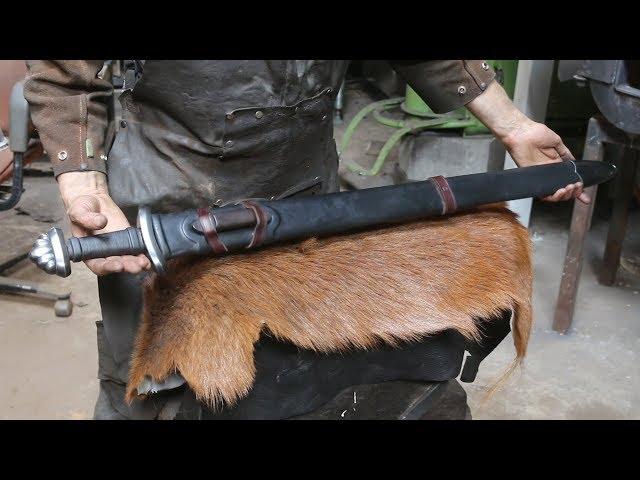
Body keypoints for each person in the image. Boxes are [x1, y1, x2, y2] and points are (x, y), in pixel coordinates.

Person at [23, 60, 586, 419]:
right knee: (151, 386)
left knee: (292, 379)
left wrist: (511, 124)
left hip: (305, 198)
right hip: (168, 199)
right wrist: (82, 187)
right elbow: (65, 75)